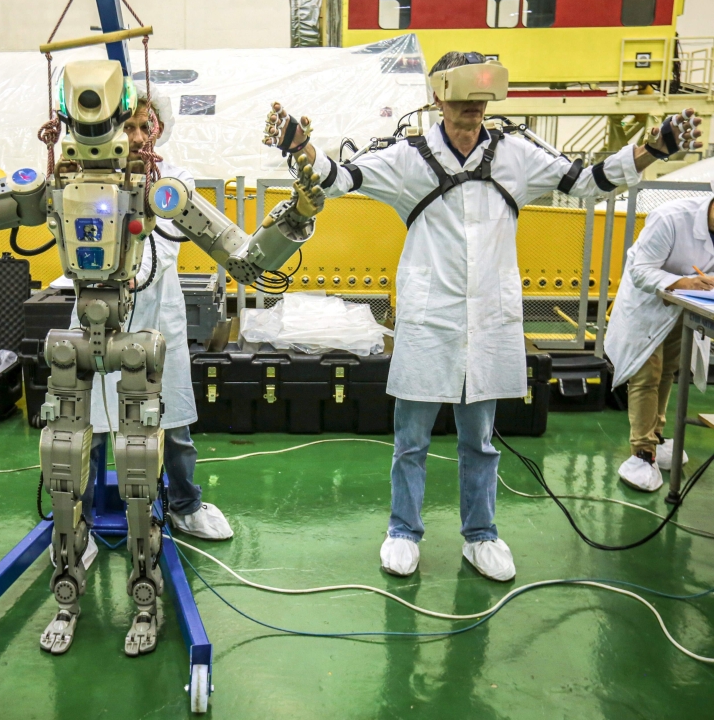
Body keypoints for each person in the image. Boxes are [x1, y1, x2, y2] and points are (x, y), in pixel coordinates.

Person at [264, 51, 702, 582]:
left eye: (479, 95)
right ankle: (403, 531)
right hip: (431, 320)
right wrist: (301, 147)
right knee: (411, 441)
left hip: (489, 320)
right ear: (438, 96)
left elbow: (586, 180)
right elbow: (339, 179)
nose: (470, 107)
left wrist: (650, 150)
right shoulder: (409, 158)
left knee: (481, 440)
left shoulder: (515, 154)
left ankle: (481, 535)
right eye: (460, 95)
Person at [69, 83, 234, 571]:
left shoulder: (174, 181)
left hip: (157, 316)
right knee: (87, 426)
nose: (139, 136)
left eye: (147, 126)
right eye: (130, 126)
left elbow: (207, 230)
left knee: (174, 421)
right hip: (99, 317)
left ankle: (184, 505)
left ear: (159, 129)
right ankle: (80, 522)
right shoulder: (87, 179)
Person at [604, 193, 714, 491]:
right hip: (649, 303)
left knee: (668, 370)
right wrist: (682, 282)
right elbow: (641, 271)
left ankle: (657, 435)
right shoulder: (671, 217)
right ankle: (642, 451)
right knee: (646, 373)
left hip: (688, 305)